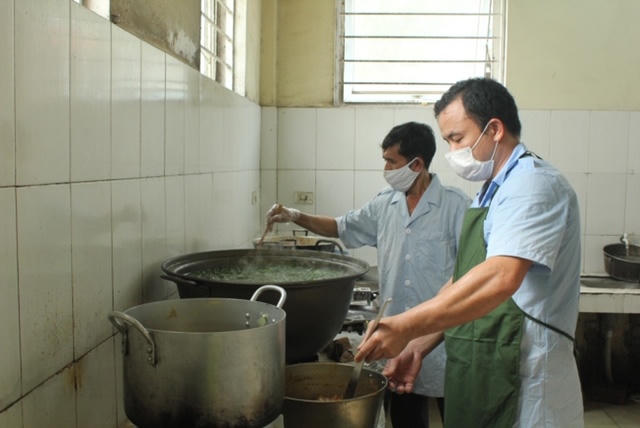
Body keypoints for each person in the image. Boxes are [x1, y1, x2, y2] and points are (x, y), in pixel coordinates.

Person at [356, 78, 584, 427]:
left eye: (457, 138)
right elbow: (466, 275)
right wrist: (417, 344)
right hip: (488, 365)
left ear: (494, 129)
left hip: (527, 377)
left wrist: (405, 324)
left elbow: (500, 277)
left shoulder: (533, 184)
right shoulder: (490, 193)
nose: (452, 152)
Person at [266, 121, 470, 427]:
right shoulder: (385, 204)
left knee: (459, 417)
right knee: (405, 419)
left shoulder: (457, 207)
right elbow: (341, 226)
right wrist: (295, 215)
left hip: (444, 339)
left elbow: (471, 271)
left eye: (392, 162)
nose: (386, 169)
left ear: (417, 164)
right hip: (397, 338)